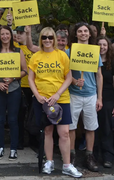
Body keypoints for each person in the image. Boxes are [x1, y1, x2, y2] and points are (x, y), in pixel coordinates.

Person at [28, 28, 82, 178]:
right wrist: (37, 95)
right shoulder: (36, 56)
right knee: (47, 131)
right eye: (44, 37)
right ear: (41, 39)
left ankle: (67, 165)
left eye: (50, 37)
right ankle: (49, 161)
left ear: (54, 39)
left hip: (61, 99)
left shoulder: (62, 55)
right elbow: (30, 79)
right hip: (43, 100)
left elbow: (69, 77)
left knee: (64, 133)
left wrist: (58, 94)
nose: (47, 40)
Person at [0, 25, 27, 161]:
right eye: (2, 34)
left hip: (14, 89)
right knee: (0, 119)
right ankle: (0, 147)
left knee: (13, 120)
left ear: (11, 35)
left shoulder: (18, 51)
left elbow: (25, 70)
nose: (5, 37)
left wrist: (14, 77)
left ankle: (13, 149)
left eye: (7, 34)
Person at [67, 23, 103, 172]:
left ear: (89, 34)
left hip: (91, 94)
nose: (83, 33)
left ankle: (89, 155)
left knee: (90, 127)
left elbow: (99, 75)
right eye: (80, 31)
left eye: (85, 31)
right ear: (76, 34)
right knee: (71, 127)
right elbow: (65, 74)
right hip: (73, 94)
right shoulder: (69, 52)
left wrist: (99, 97)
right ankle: (71, 155)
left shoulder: (95, 52)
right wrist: (75, 81)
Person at [94, 36, 114, 168]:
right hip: (94, 96)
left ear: (108, 47)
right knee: (93, 127)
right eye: (99, 45)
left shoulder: (113, 62)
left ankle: (108, 156)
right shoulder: (90, 60)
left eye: (104, 45)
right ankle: (93, 155)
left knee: (107, 127)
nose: (102, 47)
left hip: (109, 97)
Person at [15, 25, 36, 150]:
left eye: (21, 33)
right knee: (20, 115)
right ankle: (20, 141)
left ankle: (33, 140)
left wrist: (28, 34)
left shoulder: (32, 49)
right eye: (17, 32)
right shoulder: (14, 48)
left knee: (32, 115)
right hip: (19, 85)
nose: (18, 35)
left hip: (33, 87)